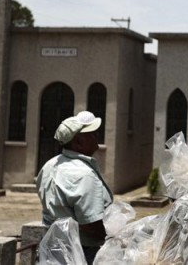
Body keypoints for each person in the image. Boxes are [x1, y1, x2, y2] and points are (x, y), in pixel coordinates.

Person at [36, 111, 113, 264]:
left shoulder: (49, 165)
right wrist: (113, 238)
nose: (95, 136)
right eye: (90, 134)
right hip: (83, 251)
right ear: (78, 142)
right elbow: (90, 225)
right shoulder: (84, 174)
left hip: (54, 248)